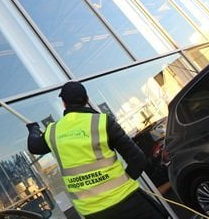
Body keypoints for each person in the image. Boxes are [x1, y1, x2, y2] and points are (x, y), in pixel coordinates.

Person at [26, 81, 167, 219]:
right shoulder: (102, 122)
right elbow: (138, 159)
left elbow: (33, 146)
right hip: (127, 201)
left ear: (64, 103)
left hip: (93, 212)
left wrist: (34, 129)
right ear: (87, 99)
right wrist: (125, 181)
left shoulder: (52, 131)